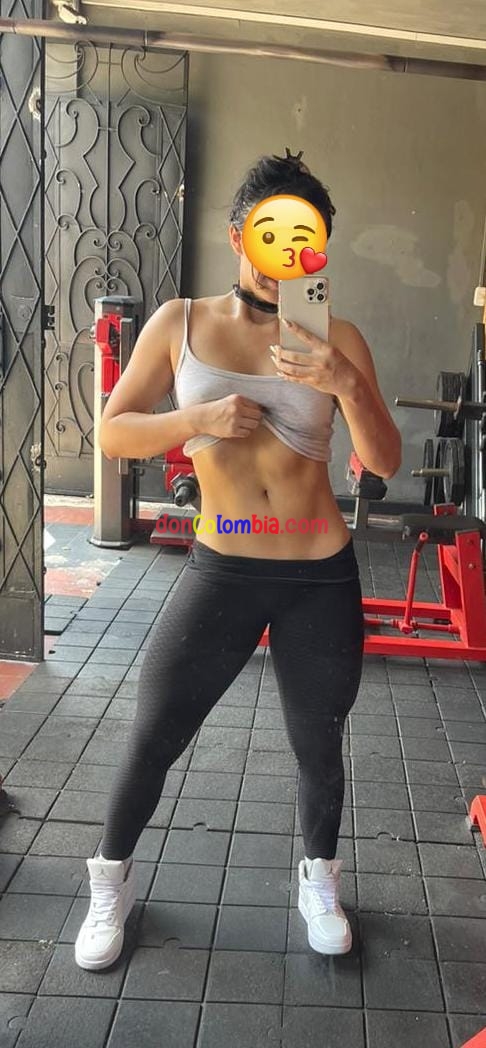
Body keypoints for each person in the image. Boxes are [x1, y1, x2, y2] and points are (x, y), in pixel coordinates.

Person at [75, 150, 401, 970]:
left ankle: (319, 879)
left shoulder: (338, 336)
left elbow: (384, 461)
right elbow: (113, 432)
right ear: (238, 237)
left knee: (319, 741)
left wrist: (346, 382)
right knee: (156, 729)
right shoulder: (180, 322)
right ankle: (110, 881)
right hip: (224, 563)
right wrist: (200, 421)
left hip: (318, 570)